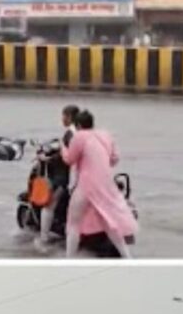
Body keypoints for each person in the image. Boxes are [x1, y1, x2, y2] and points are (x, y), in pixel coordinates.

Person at [61, 109, 137, 258]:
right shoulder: (106, 135)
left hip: (87, 186)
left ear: (78, 125)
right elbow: (114, 159)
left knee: (73, 223)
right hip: (106, 185)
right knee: (110, 224)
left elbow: (70, 160)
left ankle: (69, 260)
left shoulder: (80, 136)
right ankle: (128, 258)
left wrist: (63, 148)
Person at [35, 105, 79, 251]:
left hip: (65, 177)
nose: (62, 119)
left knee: (49, 205)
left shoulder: (70, 134)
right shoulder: (82, 131)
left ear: (69, 117)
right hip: (81, 176)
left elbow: (65, 156)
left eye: (63, 116)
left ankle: (43, 239)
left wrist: (47, 159)